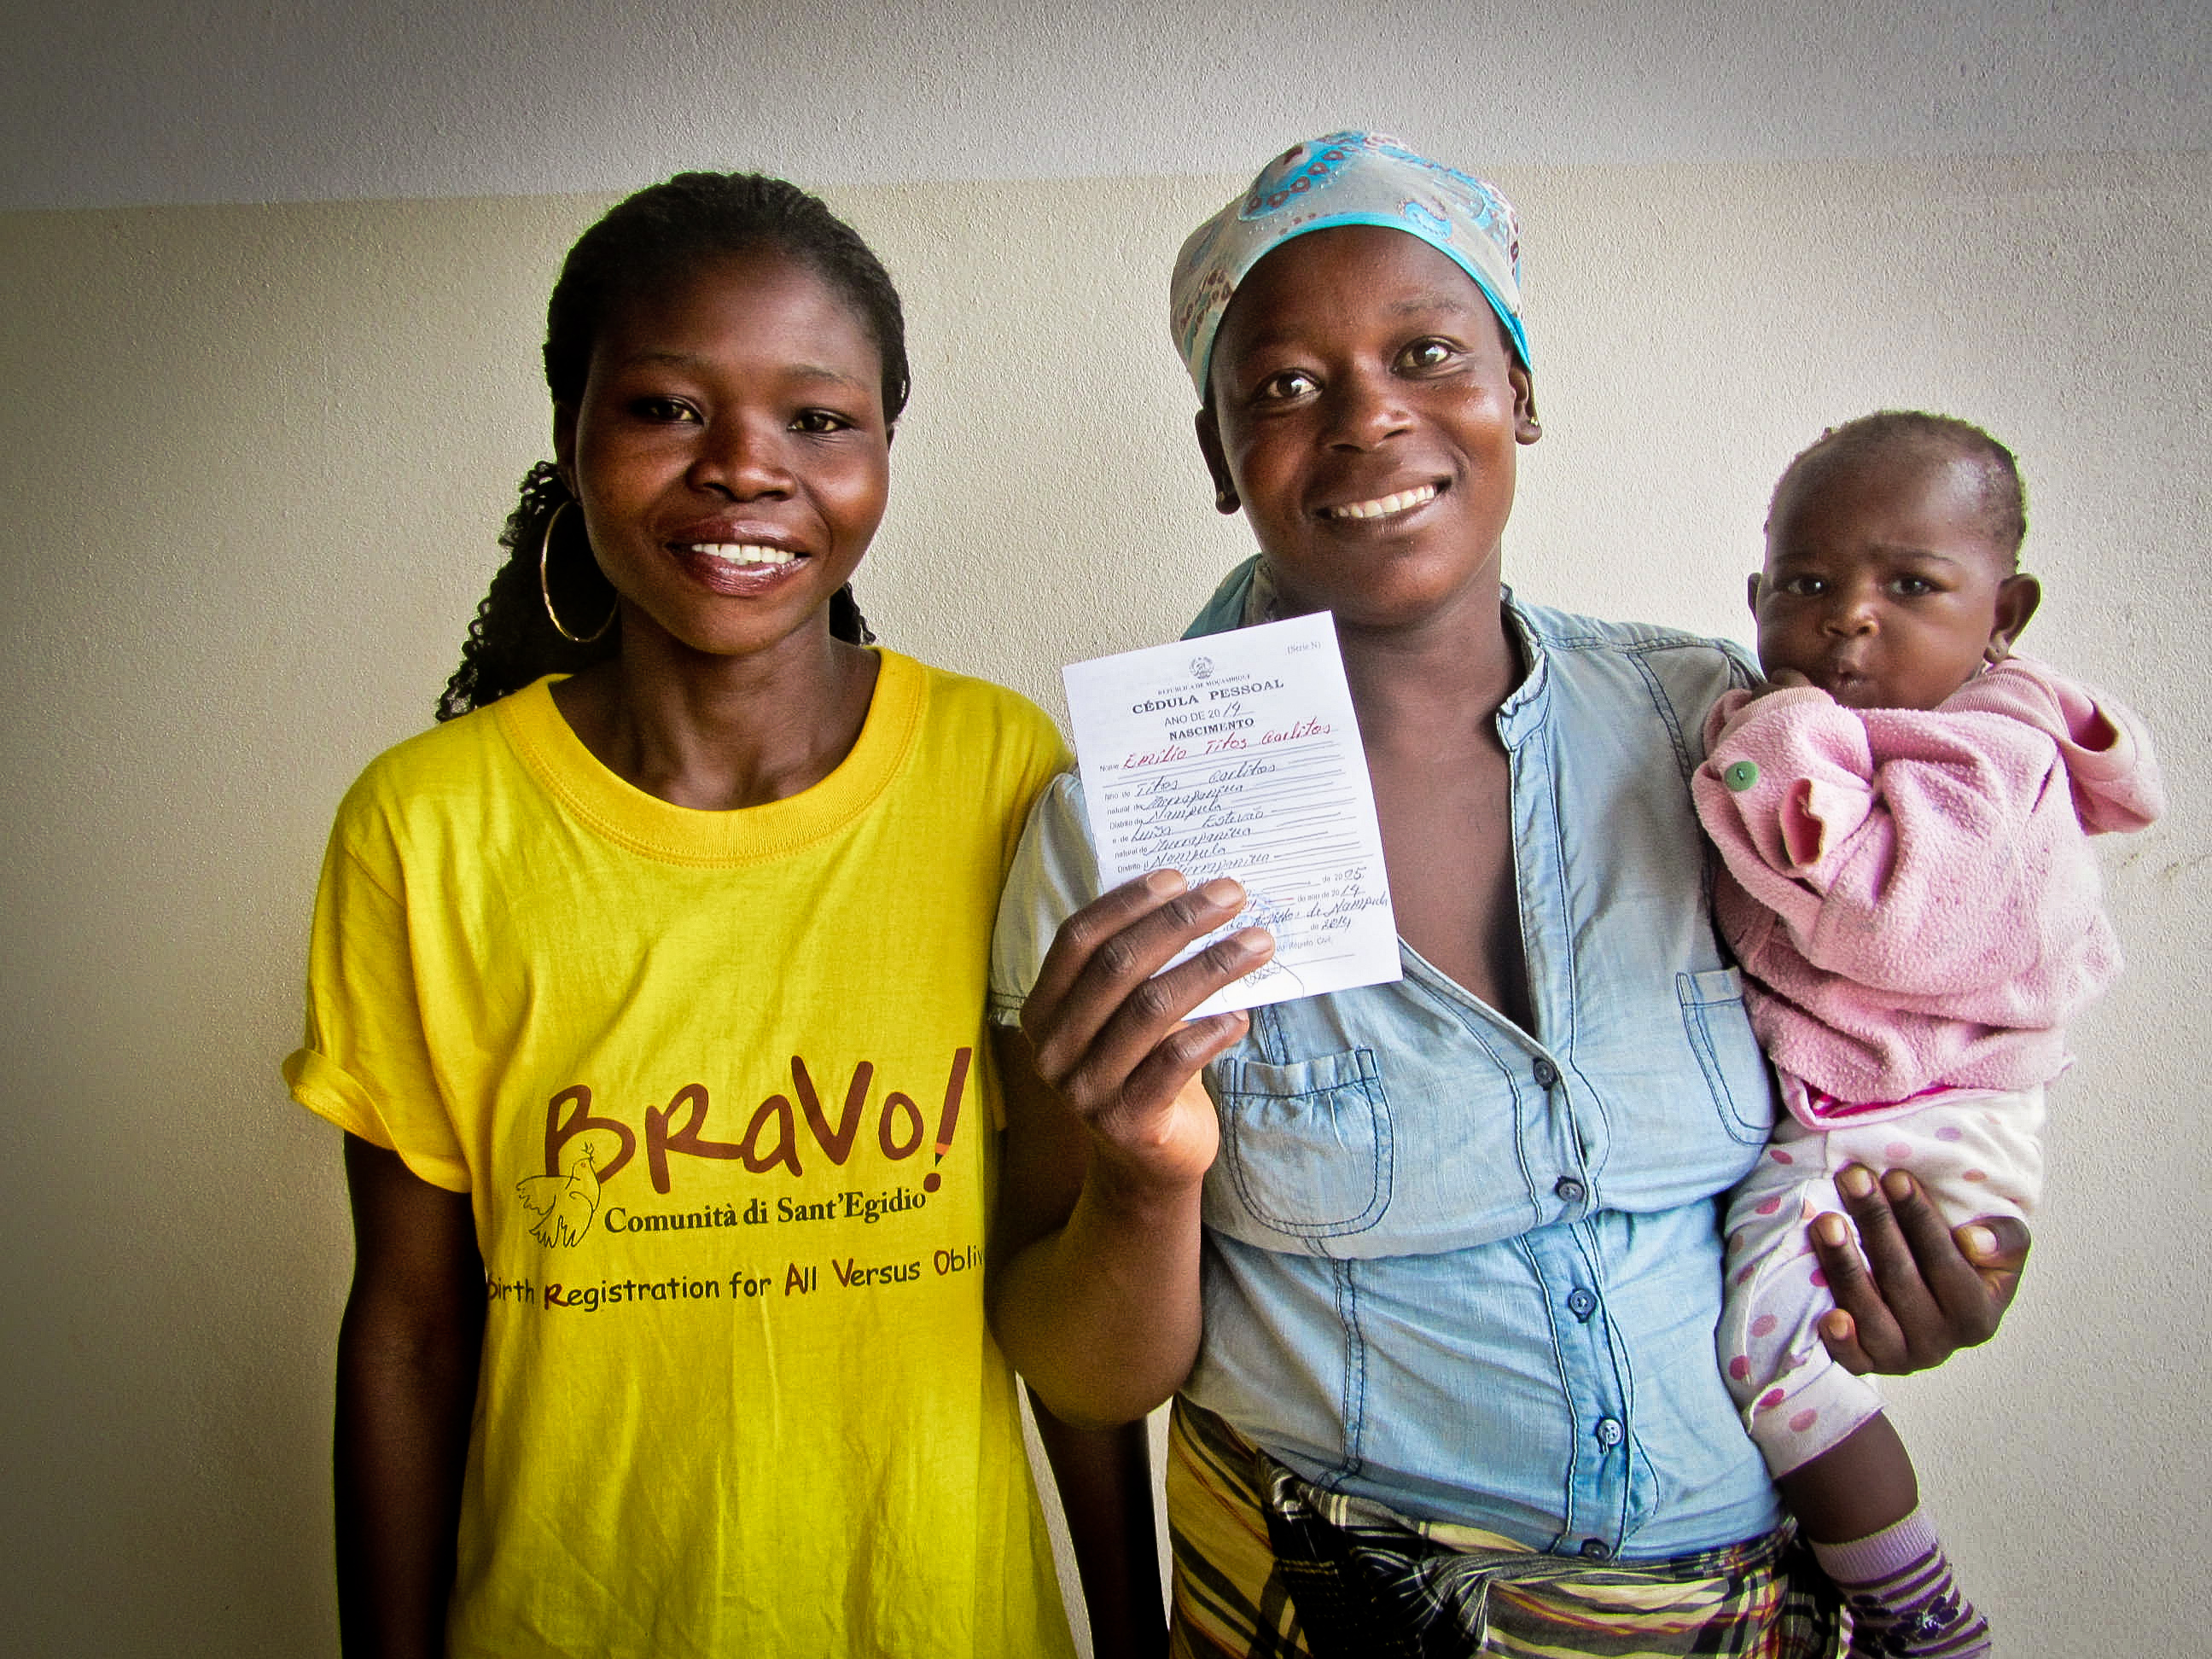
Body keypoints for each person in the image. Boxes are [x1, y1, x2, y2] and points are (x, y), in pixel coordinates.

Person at [985, 132, 2030, 1656]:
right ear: (1218, 456)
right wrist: (1148, 1178)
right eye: (1280, 386)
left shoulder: (1729, 740)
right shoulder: (1117, 843)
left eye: (1430, 352)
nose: (1368, 419)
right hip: (1336, 1603)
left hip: (1743, 1605)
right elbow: (1080, 1374)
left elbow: (1910, 1034)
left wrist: (1931, 1250)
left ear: (1520, 394)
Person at [283, 172, 1150, 1657]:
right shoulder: (425, 827)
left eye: (819, 419)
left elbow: (1048, 1251)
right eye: (668, 410)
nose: (747, 468)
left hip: (943, 1614)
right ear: (572, 433)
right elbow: (411, 1332)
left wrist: (1136, 1634)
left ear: (886, 448)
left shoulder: (1007, 775)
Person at [1696, 411, 2163, 1655]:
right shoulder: (1908, 733)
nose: (1848, 616)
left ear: (2004, 612)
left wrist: (1768, 733)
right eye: (1807, 583)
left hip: (1916, 1130)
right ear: (1757, 595)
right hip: (1895, 1114)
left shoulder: (1981, 761)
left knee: (1780, 1370)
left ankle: (1919, 1615)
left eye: (1910, 585)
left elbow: (1879, 919)